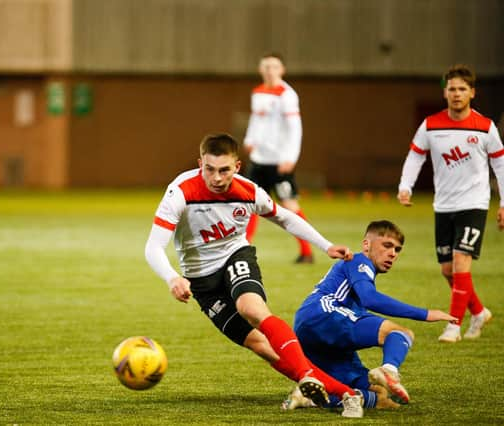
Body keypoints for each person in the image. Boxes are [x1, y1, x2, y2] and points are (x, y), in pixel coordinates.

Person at [145, 133, 364, 418]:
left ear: (236, 167)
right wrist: (172, 277)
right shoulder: (181, 192)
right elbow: (153, 246)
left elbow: (284, 216)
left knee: (251, 308)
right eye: (209, 169)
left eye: (224, 170)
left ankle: (327, 387)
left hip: (235, 257)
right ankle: (338, 390)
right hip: (201, 281)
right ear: (200, 163)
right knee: (259, 344)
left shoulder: (249, 191)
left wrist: (326, 245)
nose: (216, 177)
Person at [282, 220, 455, 411]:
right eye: (387, 245)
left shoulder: (359, 276)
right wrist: (425, 314)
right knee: (400, 333)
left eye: (397, 250)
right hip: (323, 314)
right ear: (366, 244)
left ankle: (307, 398)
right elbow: (370, 299)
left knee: (380, 396)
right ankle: (389, 370)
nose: (392, 254)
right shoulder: (358, 260)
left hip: (317, 334)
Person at [397, 64, 504, 343]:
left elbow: (501, 165)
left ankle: (454, 326)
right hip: (443, 206)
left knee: (460, 263)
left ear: (472, 93)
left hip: (474, 204)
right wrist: (405, 186)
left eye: (462, 89)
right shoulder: (431, 124)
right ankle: (478, 311)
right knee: (448, 270)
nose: (457, 94)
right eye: (452, 89)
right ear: (445, 93)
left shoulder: (485, 127)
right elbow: (415, 156)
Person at [243, 52, 313, 263]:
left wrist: (290, 157)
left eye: (274, 67)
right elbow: (256, 121)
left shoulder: (287, 95)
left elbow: (295, 129)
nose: (270, 70)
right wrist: (249, 139)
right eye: (266, 66)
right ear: (260, 69)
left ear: (282, 70)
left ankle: (307, 252)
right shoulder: (258, 92)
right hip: (259, 160)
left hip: (279, 162)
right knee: (249, 205)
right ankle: (242, 250)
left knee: (290, 207)